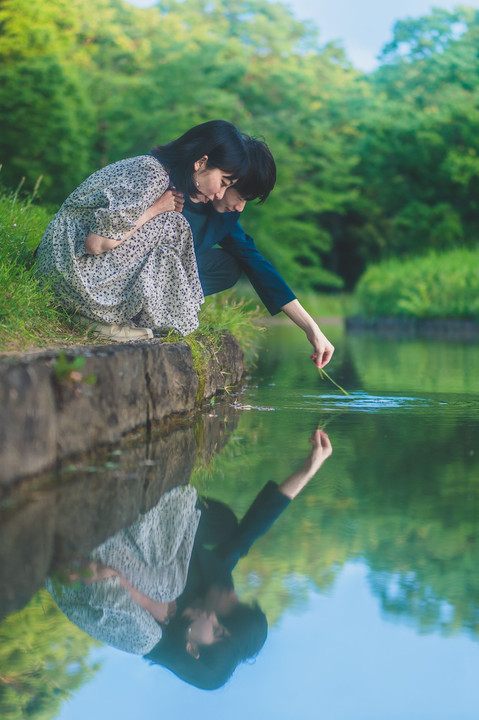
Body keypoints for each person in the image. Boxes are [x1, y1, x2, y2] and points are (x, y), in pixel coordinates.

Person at [47, 429, 332, 690]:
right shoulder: (210, 587)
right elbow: (251, 531)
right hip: (117, 542)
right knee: (225, 526)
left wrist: (147, 600)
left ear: (193, 649)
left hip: (76, 551)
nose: (230, 594)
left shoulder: (146, 638)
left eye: (220, 623)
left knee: (166, 588)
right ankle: (159, 482)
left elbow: (88, 582)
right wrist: (309, 469)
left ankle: (142, 484)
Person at [35, 120, 250, 341]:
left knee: (174, 224)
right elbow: (96, 243)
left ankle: (112, 315)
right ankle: (95, 314)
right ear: (201, 162)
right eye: (223, 182)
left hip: (64, 269)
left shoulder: (155, 172)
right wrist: (155, 210)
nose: (221, 195)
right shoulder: (151, 174)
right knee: (172, 224)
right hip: (67, 274)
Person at [182, 137, 335, 368]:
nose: (240, 207)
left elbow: (258, 265)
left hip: (169, 282)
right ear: (228, 176)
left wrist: (312, 329)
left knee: (230, 266)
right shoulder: (174, 192)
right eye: (241, 196)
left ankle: (174, 312)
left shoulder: (225, 215)